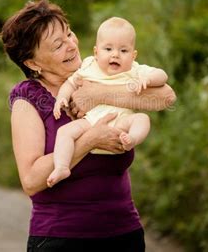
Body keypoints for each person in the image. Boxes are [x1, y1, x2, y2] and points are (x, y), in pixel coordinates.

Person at [0, 0, 176, 252]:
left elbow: (165, 96)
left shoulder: (99, 70)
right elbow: (31, 180)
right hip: (61, 239)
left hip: (124, 232)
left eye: (69, 34)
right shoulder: (28, 99)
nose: (71, 46)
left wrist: (100, 94)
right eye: (58, 45)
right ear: (33, 62)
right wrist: (90, 140)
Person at [47, 17, 168, 187]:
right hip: (90, 123)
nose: (115, 54)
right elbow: (70, 83)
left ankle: (131, 139)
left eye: (123, 51)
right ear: (96, 52)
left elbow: (163, 76)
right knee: (65, 132)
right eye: (108, 49)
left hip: (121, 123)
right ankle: (62, 166)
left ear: (133, 56)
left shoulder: (135, 69)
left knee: (142, 119)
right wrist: (62, 97)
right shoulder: (89, 66)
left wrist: (148, 78)